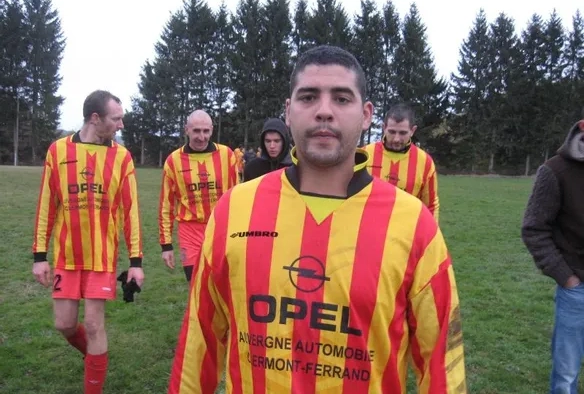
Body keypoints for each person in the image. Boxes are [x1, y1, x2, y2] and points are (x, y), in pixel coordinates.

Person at [168, 45, 466, 393]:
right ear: (289, 111)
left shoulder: (415, 224)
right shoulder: (234, 210)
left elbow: (442, 361)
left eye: (341, 99)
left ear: (367, 114)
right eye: (308, 97)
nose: (324, 111)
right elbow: (198, 344)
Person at [32, 90, 144, 394]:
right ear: (95, 118)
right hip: (67, 257)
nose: (121, 125)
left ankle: (93, 384)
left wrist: (136, 262)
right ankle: (95, 358)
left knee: (95, 325)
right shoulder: (57, 151)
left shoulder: (122, 157)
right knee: (65, 325)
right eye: (116, 118)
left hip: (102, 259)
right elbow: (46, 205)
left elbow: (131, 211)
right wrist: (39, 255)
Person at [522, 118, 584, 394]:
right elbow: (533, 229)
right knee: (566, 376)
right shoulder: (554, 171)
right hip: (576, 289)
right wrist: (566, 277)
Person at [158, 109, 238, 282]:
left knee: (222, 285)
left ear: (212, 130)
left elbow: (238, 198)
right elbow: (166, 206)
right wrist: (166, 245)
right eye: (196, 131)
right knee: (196, 286)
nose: (201, 137)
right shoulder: (173, 161)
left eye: (206, 131)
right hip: (190, 232)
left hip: (221, 229)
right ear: (186, 129)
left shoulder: (227, 156)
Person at [362, 103, 440, 221]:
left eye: (403, 133)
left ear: (412, 131)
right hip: (369, 228)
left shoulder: (425, 162)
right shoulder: (364, 155)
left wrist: (431, 236)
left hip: (407, 232)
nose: (396, 139)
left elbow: (431, 205)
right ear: (384, 128)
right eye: (392, 132)